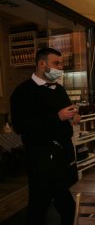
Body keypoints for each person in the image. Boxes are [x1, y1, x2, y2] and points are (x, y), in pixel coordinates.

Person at [10, 48, 80, 225]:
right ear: (42, 64)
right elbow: (21, 127)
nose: (60, 67)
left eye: (61, 63)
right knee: (40, 205)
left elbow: (64, 117)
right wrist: (57, 117)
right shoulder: (22, 92)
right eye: (56, 63)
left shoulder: (59, 90)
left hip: (62, 156)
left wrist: (72, 118)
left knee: (63, 205)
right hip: (40, 158)